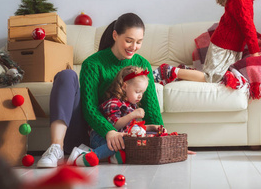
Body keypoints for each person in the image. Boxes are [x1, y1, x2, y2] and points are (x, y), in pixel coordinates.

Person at [37, 13, 197, 168]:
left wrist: (166, 142)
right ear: (115, 35)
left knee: (134, 140)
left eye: (139, 42)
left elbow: (150, 108)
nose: (134, 47)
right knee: (66, 75)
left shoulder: (142, 64)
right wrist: (109, 131)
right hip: (89, 133)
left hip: (122, 137)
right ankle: (56, 148)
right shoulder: (92, 64)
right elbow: (89, 108)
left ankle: (99, 154)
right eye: (129, 41)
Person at [67, 66, 163, 166]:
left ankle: (109, 156)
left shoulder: (130, 106)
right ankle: (88, 156)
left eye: (142, 93)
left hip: (118, 139)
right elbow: (115, 125)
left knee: (131, 141)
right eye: (137, 91)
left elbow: (132, 129)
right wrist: (132, 115)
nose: (140, 96)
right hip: (100, 137)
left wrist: (152, 127)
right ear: (124, 86)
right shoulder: (113, 103)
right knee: (122, 141)